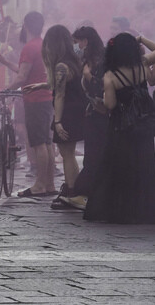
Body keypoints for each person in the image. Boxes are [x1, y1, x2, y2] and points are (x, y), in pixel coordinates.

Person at [84, 33, 155, 223]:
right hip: (144, 125)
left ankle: (121, 211)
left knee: (119, 168)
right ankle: (144, 211)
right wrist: (142, 39)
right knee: (144, 167)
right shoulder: (142, 65)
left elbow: (110, 104)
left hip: (122, 127)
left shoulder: (110, 76)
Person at [25, 25, 87, 209]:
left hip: (66, 112)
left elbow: (60, 94)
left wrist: (58, 121)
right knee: (68, 154)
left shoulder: (60, 65)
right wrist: (42, 86)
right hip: (77, 110)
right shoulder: (74, 60)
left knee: (66, 154)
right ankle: (72, 191)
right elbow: (62, 84)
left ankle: (71, 193)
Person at [2, 12, 55, 197]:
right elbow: (27, 71)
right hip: (47, 98)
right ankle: (49, 184)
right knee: (47, 142)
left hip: (35, 100)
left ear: (25, 26)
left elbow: (22, 77)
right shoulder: (43, 45)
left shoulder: (29, 47)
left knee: (39, 143)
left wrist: (6, 89)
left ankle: (39, 185)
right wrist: (6, 62)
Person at [62, 26, 107, 210]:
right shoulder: (88, 60)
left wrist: (88, 77)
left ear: (85, 41)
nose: (76, 46)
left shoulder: (97, 63)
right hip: (91, 114)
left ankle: (86, 193)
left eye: (77, 42)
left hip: (99, 115)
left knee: (94, 155)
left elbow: (100, 89)